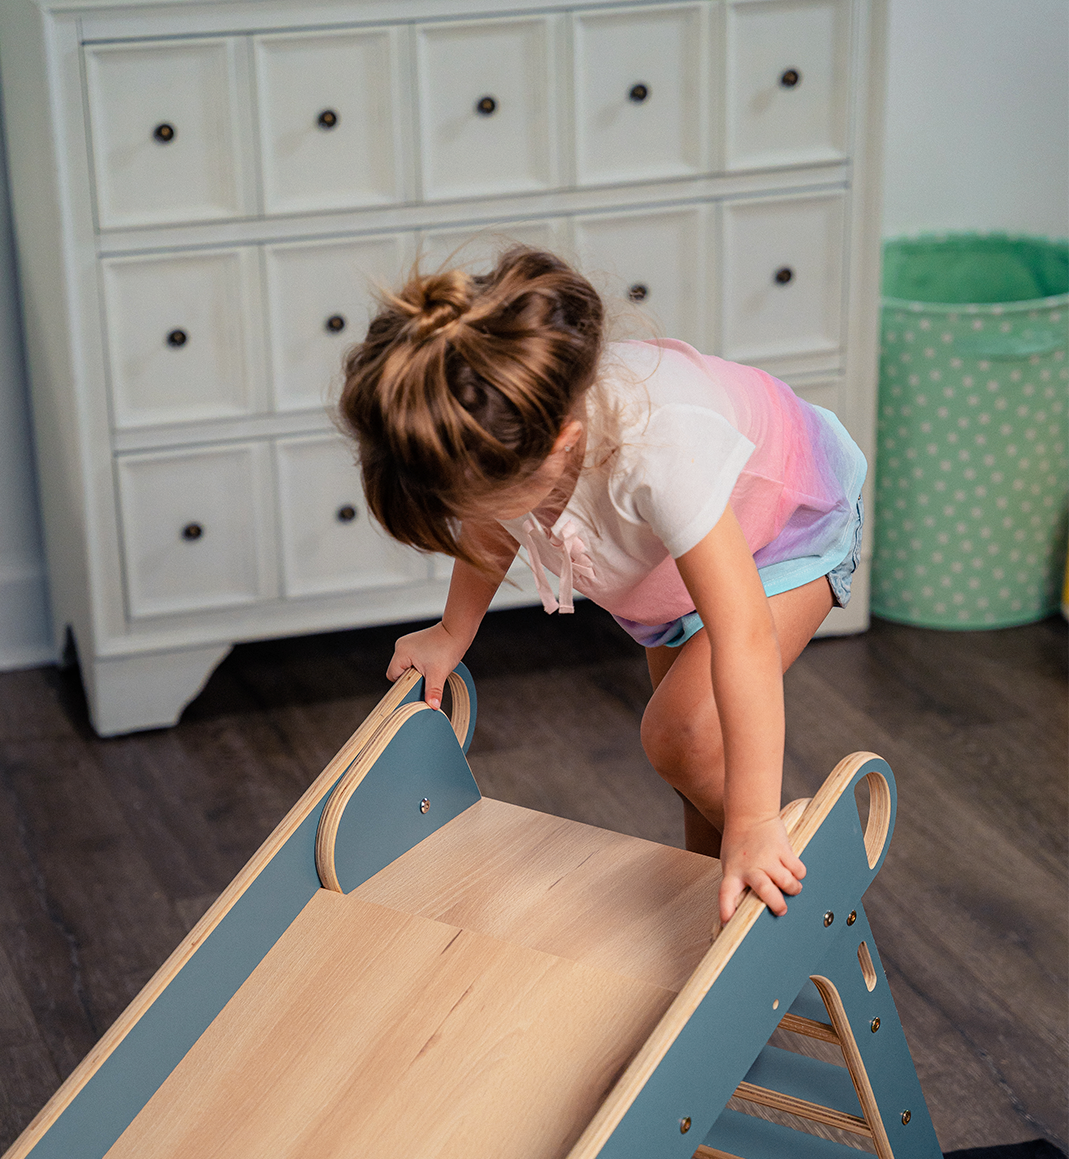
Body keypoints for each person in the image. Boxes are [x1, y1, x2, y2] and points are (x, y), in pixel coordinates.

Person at [336, 246, 866, 925]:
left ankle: (805, 892)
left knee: (684, 739)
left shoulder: (660, 448)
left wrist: (759, 818)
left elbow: (745, 637)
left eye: (478, 502)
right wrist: (452, 632)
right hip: (673, 574)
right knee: (696, 781)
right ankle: (723, 929)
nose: (474, 522)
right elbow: (491, 527)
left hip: (787, 530)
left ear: (562, 444)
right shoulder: (512, 427)